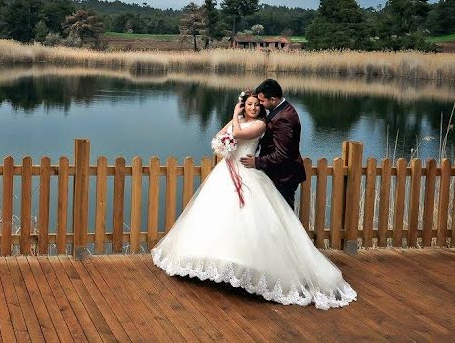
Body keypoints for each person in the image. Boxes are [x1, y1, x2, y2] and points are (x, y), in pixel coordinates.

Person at [151, 89, 357, 309]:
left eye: (256, 105)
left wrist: (234, 115)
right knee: (217, 218)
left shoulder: (260, 125)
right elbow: (220, 137)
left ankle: (248, 270)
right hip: (227, 172)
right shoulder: (238, 120)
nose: (253, 108)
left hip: (247, 171)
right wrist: (231, 125)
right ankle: (215, 264)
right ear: (244, 105)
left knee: (249, 219)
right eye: (249, 104)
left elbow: (237, 136)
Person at [239, 78, 306, 208]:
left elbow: (281, 154)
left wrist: (257, 162)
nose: (260, 104)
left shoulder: (283, 119)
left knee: (284, 214)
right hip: (280, 174)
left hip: (284, 177)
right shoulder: (281, 110)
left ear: (273, 99)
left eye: (262, 101)